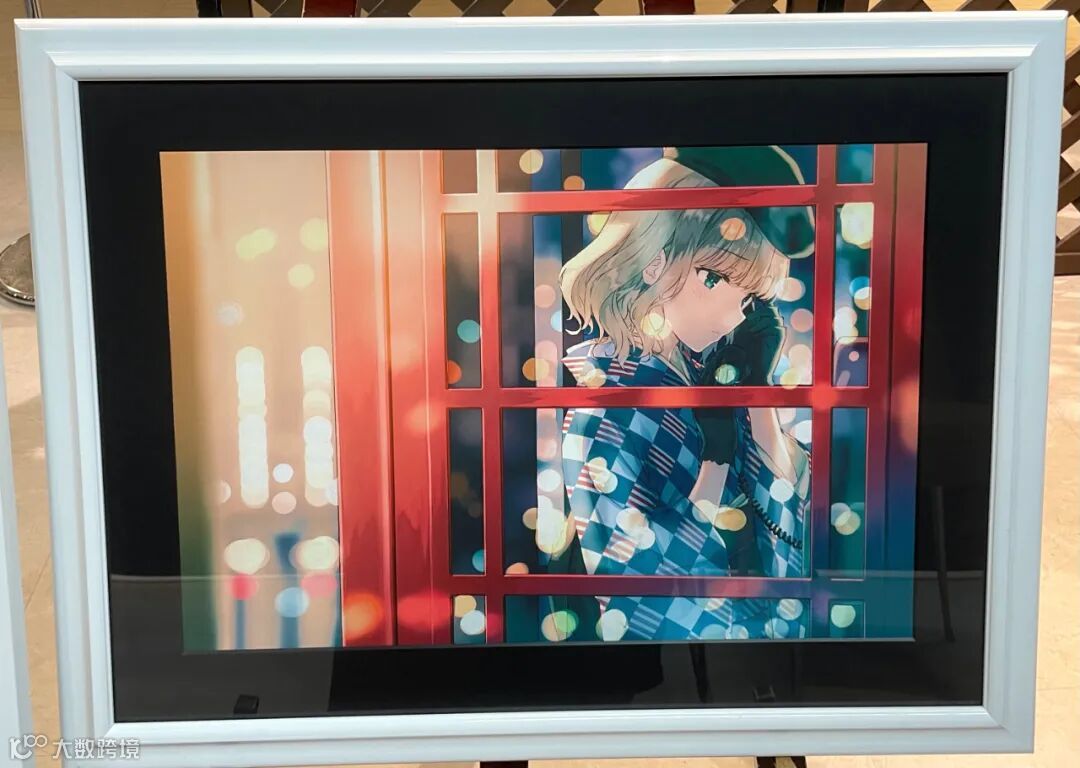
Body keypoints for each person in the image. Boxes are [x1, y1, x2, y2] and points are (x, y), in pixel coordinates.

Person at [559, 146, 812, 641]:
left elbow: (787, 524)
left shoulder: (711, 379)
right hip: (684, 648)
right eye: (713, 278)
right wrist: (714, 465)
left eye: (748, 297)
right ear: (654, 263)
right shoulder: (604, 408)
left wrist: (757, 393)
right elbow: (635, 584)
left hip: (760, 639)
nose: (732, 314)